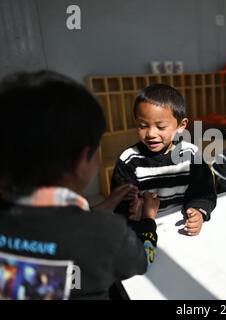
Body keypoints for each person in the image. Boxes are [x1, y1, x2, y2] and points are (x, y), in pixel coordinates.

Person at [0, 70, 159, 300]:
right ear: (80, 160)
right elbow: (142, 261)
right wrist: (148, 220)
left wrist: (108, 203)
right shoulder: (106, 233)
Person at [111, 84, 216, 236]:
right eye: (142, 126)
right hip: (142, 230)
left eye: (161, 127)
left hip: (179, 227)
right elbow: (118, 205)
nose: (151, 133)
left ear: (181, 125)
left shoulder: (191, 154)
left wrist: (198, 212)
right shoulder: (129, 160)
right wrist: (133, 211)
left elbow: (204, 192)